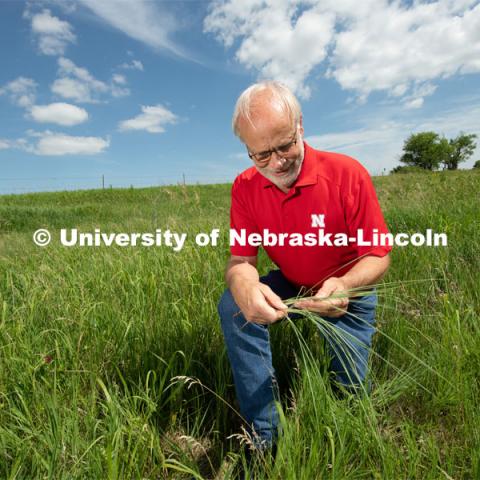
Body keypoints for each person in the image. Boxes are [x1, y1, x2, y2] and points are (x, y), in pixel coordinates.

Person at [218, 81, 391, 452]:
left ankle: (346, 435)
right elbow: (241, 261)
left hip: (348, 290)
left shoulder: (347, 173)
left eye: (284, 145)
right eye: (260, 154)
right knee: (232, 305)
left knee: (350, 391)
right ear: (246, 149)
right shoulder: (244, 187)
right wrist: (244, 285)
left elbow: (378, 254)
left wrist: (345, 285)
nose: (277, 163)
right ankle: (264, 436)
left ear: (300, 127)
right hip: (293, 284)